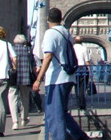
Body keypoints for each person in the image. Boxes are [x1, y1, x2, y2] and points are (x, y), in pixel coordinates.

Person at [32, 8, 89, 140]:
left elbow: (48, 56)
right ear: (61, 18)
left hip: (56, 78)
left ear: (47, 19)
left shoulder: (50, 33)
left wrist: (38, 79)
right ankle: (81, 138)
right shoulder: (66, 33)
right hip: (68, 77)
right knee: (63, 113)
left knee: (54, 115)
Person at [8, 34, 37, 130]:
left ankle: (15, 121)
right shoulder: (28, 50)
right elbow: (33, 66)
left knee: (13, 99)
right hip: (25, 78)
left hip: (13, 77)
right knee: (25, 98)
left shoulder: (11, 49)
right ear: (24, 42)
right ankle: (24, 119)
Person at [73, 36, 92, 110]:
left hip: (74, 68)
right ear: (81, 42)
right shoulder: (84, 48)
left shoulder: (72, 48)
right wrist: (89, 71)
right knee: (82, 87)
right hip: (82, 68)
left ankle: (78, 103)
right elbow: (87, 61)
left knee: (76, 86)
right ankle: (82, 104)